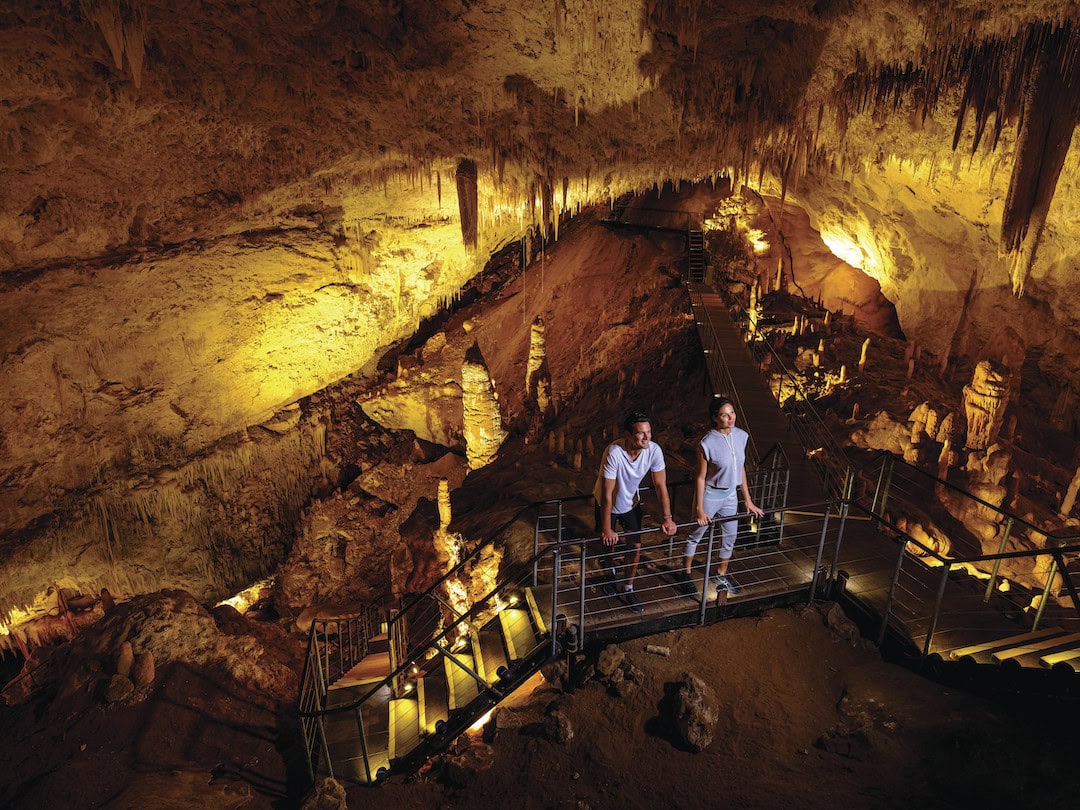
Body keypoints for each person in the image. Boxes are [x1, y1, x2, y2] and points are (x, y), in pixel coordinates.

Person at [676, 397, 763, 597]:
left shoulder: (741, 436)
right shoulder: (707, 443)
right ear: (715, 418)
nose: (730, 417)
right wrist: (699, 508)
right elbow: (700, 477)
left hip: (731, 495)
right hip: (710, 495)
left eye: (732, 413)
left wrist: (747, 500)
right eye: (725, 414)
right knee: (696, 534)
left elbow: (740, 467)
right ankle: (686, 573)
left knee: (730, 535)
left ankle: (721, 573)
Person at [594, 412, 678, 613]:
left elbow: (660, 486)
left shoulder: (654, 451)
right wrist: (607, 528)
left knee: (636, 545)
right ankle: (610, 573)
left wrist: (668, 518)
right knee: (608, 543)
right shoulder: (614, 452)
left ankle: (628, 586)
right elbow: (607, 494)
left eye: (649, 432)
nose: (647, 437)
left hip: (631, 503)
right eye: (641, 433)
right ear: (628, 435)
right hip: (606, 504)